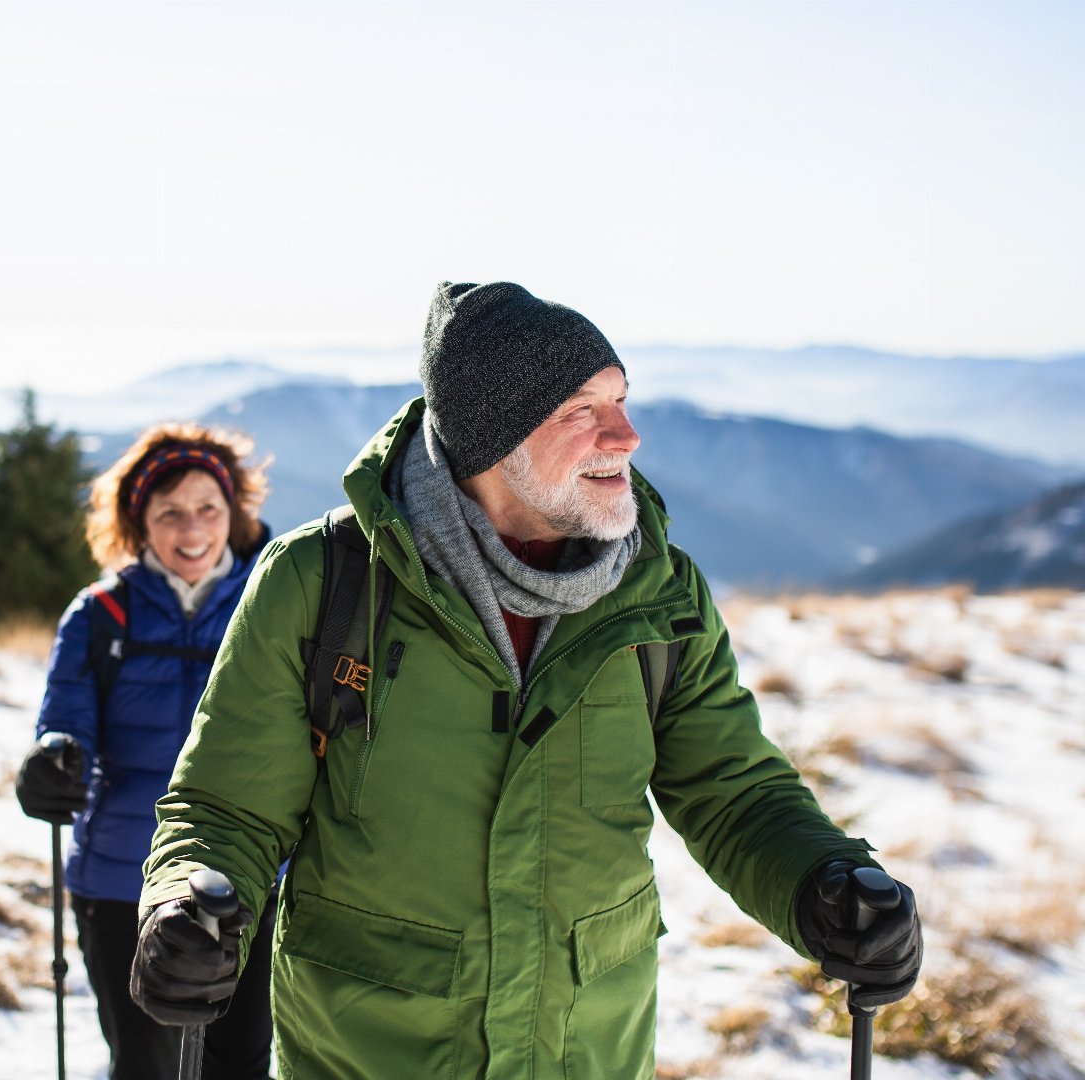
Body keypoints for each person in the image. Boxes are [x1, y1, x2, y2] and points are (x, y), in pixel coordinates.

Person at [128, 283, 924, 1080]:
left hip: (586, 1052)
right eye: (584, 411)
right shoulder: (325, 580)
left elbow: (734, 793)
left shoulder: (659, 592)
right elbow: (229, 805)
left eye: (621, 400)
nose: (628, 434)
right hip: (369, 1054)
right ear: (492, 441)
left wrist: (820, 881)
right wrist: (184, 903)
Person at [15, 421, 276, 1080]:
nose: (192, 531)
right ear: (139, 523)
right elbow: (66, 720)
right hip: (119, 881)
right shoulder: (102, 615)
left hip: (247, 881)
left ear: (233, 514)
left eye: (207, 510)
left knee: (237, 1066)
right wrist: (55, 759)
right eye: (170, 514)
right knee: (144, 1066)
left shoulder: (272, 605)